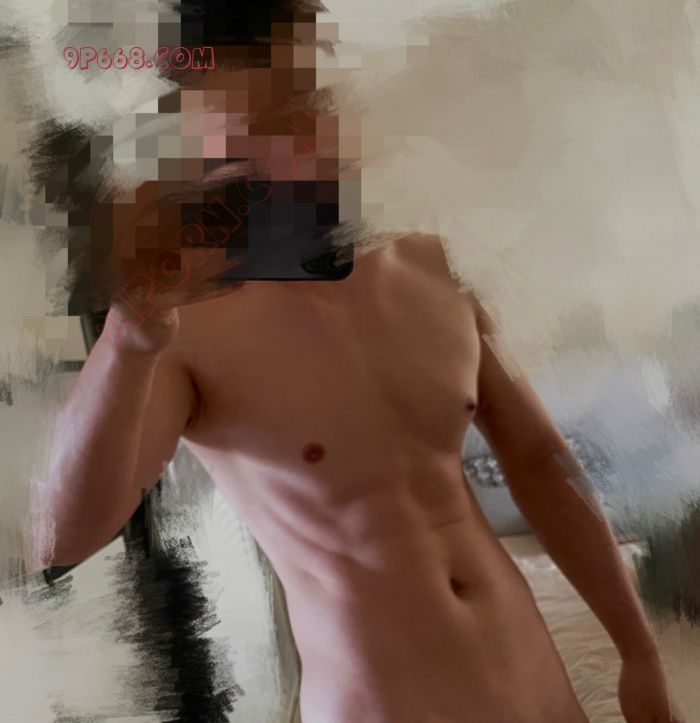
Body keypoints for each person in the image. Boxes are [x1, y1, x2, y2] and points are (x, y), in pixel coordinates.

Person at [35, 3, 682, 723]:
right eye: (269, 120)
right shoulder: (187, 327)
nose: (308, 136)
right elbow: (62, 540)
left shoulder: (430, 266)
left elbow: (540, 460)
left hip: (537, 686)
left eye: (312, 102)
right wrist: (127, 340)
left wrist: (638, 653)